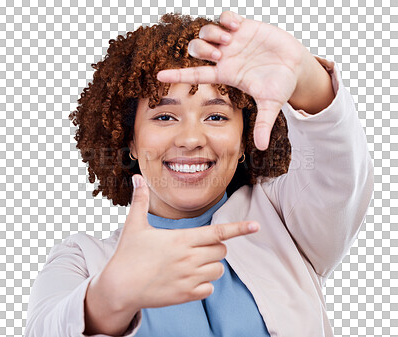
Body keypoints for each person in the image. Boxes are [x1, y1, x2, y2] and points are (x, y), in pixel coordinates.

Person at [24, 10, 374, 337]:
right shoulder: (84, 259)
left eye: (216, 116)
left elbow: (338, 169)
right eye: (164, 116)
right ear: (130, 140)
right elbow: (46, 325)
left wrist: (303, 74)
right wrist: (109, 297)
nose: (191, 139)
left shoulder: (284, 219)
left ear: (244, 139)